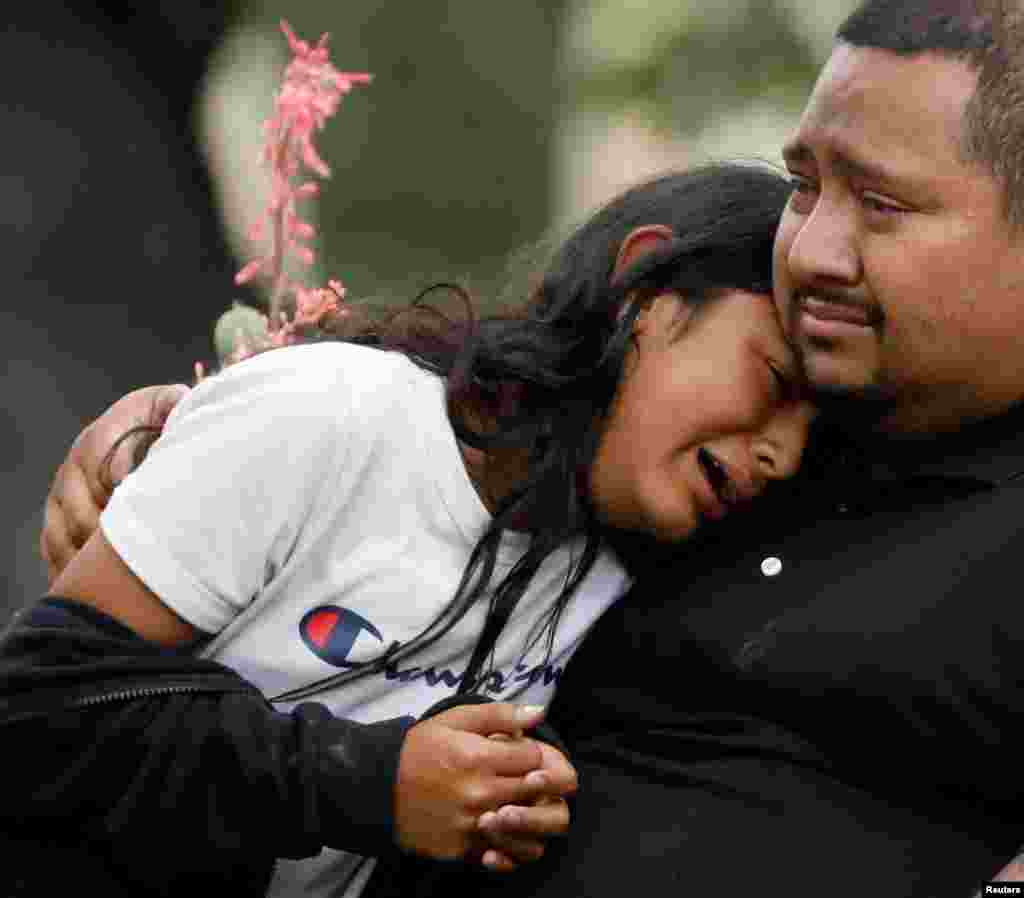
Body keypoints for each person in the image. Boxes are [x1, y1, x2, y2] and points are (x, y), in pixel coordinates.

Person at [6, 162, 812, 897]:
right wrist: (367, 783)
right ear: (641, 287)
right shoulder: (330, 415)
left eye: (816, 433)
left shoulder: (631, 584)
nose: (784, 453)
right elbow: (37, 706)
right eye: (773, 378)